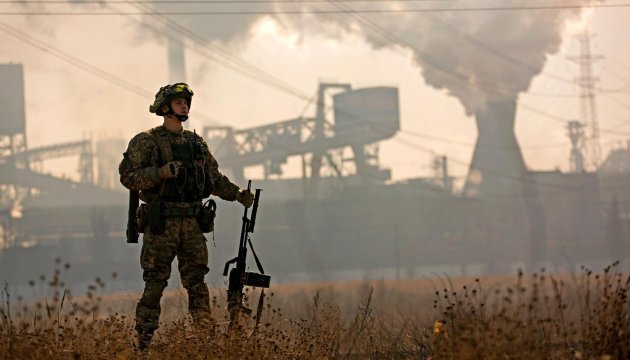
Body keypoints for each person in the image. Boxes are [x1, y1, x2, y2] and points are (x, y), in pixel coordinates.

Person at [118, 83, 254, 350]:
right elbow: (128, 177)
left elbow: (213, 179)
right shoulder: (146, 141)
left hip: (192, 223)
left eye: (186, 102)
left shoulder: (196, 143)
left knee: (197, 283)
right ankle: (143, 343)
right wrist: (160, 174)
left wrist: (238, 195)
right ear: (165, 107)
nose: (185, 106)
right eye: (179, 102)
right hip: (162, 224)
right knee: (155, 283)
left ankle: (205, 340)